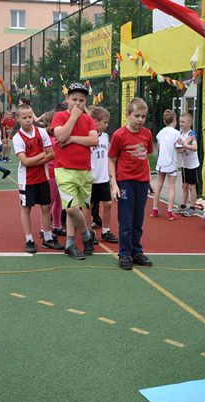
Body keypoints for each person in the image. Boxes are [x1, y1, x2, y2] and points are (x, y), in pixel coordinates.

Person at [51, 82, 99, 260]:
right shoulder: (60, 117)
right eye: (74, 99)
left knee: (80, 208)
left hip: (84, 171)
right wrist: (73, 118)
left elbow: (94, 141)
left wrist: (71, 139)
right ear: (67, 99)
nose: (78, 103)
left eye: (81, 100)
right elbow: (60, 136)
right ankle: (87, 235)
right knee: (71, 209)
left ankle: (70, 243)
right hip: (64, 170)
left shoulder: (88, 120)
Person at [108, 97, 154, 270]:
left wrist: (149, 180)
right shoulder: (119, 135)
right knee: (126, 220)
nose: (141, 120)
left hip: (141, 183)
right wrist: (114, 184)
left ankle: (136, 251)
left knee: (138, 220)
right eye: (137, 116)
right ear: (128, 115)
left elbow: (146, 159)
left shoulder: (147, 134)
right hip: (125, 182)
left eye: (143, 116)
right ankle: (125, 253)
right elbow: (111, 160)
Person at [13, 104, 62, 253]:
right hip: (26, 180)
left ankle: (48, 237)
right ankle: (29, 239)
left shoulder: (41, 132)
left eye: (30, 116)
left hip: (43, 177)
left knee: (46, 207)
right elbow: (25, 162)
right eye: (24, 118)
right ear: (18, 119)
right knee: (26, 208)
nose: (28, 120)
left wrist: (36, 159)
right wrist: (42, 156)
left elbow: (52, 154)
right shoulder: (17, 138)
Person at [89, 106, 118, 243]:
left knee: (108, 204)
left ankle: (106, 231)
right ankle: (89, 231)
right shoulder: (88, 137)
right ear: (95, 121)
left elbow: (109, 156)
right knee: (89, 206)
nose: (107, 125)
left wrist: (112, 176)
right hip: (90, 179)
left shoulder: (105, 137)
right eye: (105, 122)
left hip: (103, 178)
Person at [151, 109, 182, 219]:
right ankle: (169, 211)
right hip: (171, 163)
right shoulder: (177, 133)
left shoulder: (160, 133)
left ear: (164, 121)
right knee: (171, 187)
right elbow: (180, 149)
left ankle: (154, 209)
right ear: (174, 120)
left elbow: (159, 146)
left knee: (158, 186)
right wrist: (186, 143)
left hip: (161, 162)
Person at [176, 112, 199, 216]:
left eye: (183, 121)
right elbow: (180, 150)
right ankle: (183, 205)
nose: (180, 123)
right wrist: (181, 145)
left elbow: (195, 148)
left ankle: (193, 207)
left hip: (192, 165)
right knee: (184, 186)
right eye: (180, 121)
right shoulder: (181, 134)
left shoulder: (191, 134)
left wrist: (185, 144)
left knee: (191, 187)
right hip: (185, 165)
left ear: (189, 123)